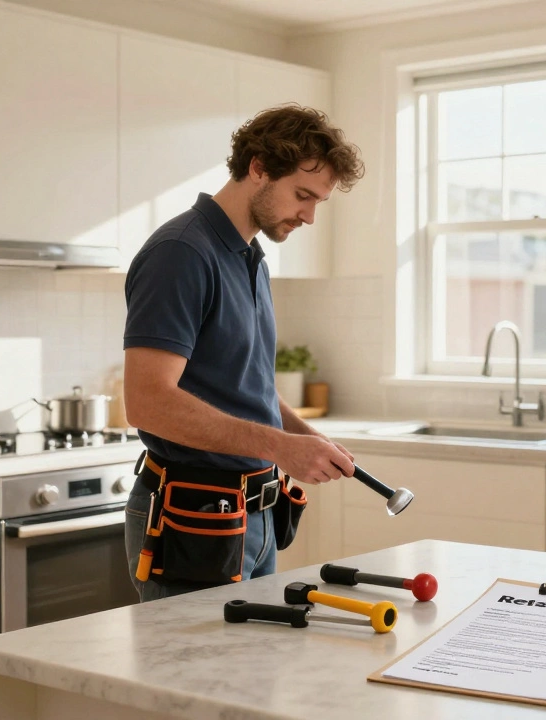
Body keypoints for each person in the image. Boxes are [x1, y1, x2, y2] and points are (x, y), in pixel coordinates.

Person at [121, 104, 365, 600]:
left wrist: (305, 437)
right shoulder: (182, 253)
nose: (310, 216)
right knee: (192, 678)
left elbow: (245, 387)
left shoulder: (250, 258)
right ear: (258, 168)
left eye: (318, 201)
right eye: (302, 195)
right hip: (193, 518)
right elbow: (146, 402)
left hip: (254, 518)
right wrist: (280, 447)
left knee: (252, 677)